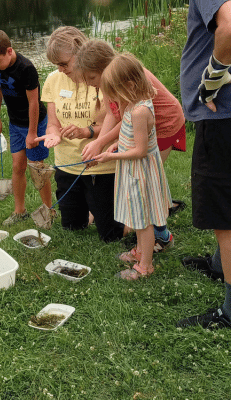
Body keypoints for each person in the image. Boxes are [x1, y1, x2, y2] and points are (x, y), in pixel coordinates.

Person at [78, 39, 186, 251]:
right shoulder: (112, 80)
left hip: (164, 126)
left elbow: (130, 117)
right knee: (141, 187)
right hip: (140, 129)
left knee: (145, 186)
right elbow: (115, 113)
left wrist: (103, 142)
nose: (90, 83)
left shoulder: (125, 79)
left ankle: (158, 235)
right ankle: (152, 230)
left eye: (92, 77)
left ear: (106, 68)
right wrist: (104, 142)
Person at [36, 26, 127, 242]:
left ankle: (104, 210)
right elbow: (52, 123)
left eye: (64, 63)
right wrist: (54, 134)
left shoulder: (103, 76)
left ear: (81, 53)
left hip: (100, 165)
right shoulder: (53, 80)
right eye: (56, 65)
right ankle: (91, 209)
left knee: (111, 235)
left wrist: (87, 131)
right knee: (72, 227)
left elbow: (121, 120)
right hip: (67, 165)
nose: (60, 69)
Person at [176, 0, 231, 329]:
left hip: (223, 117)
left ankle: (230, 311)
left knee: (224, 215)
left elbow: (229, 27)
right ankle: (219, 264)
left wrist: (211, 79)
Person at [95, 53, 171, 280]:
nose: (114, 98)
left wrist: (112, 157)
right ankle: (139, 251)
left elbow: (140, 150)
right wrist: (115, 145)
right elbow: (129, 135)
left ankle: (145, 266)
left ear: (129, 85)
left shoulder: (140, 111)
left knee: (143, 219)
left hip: (140, 171)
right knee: (137, 215)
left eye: (115, 92)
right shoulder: (132, 105)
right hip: (132, 168)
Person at [0, 29, 52, 226]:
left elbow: (34, 102)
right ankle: (20, 210)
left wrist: (32, 133)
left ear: (9, 51)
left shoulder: (26, 68)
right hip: (15, 122)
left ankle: (48, 211)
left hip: (34, 122)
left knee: (38, 169)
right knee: (17, 166)